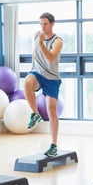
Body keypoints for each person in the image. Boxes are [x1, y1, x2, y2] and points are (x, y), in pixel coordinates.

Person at [24, 12, 63, 157]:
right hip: (37, 73)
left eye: (45, 24)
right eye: (41, 23)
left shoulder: (58, 41)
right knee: (27, 83)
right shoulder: (36, 34)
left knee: (52, 111)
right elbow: (35, 54)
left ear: (52, 24)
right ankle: (35, 114)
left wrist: (41, 43)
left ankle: (54, 145)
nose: (42, 26)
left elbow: (51, 57)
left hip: (52, 78)